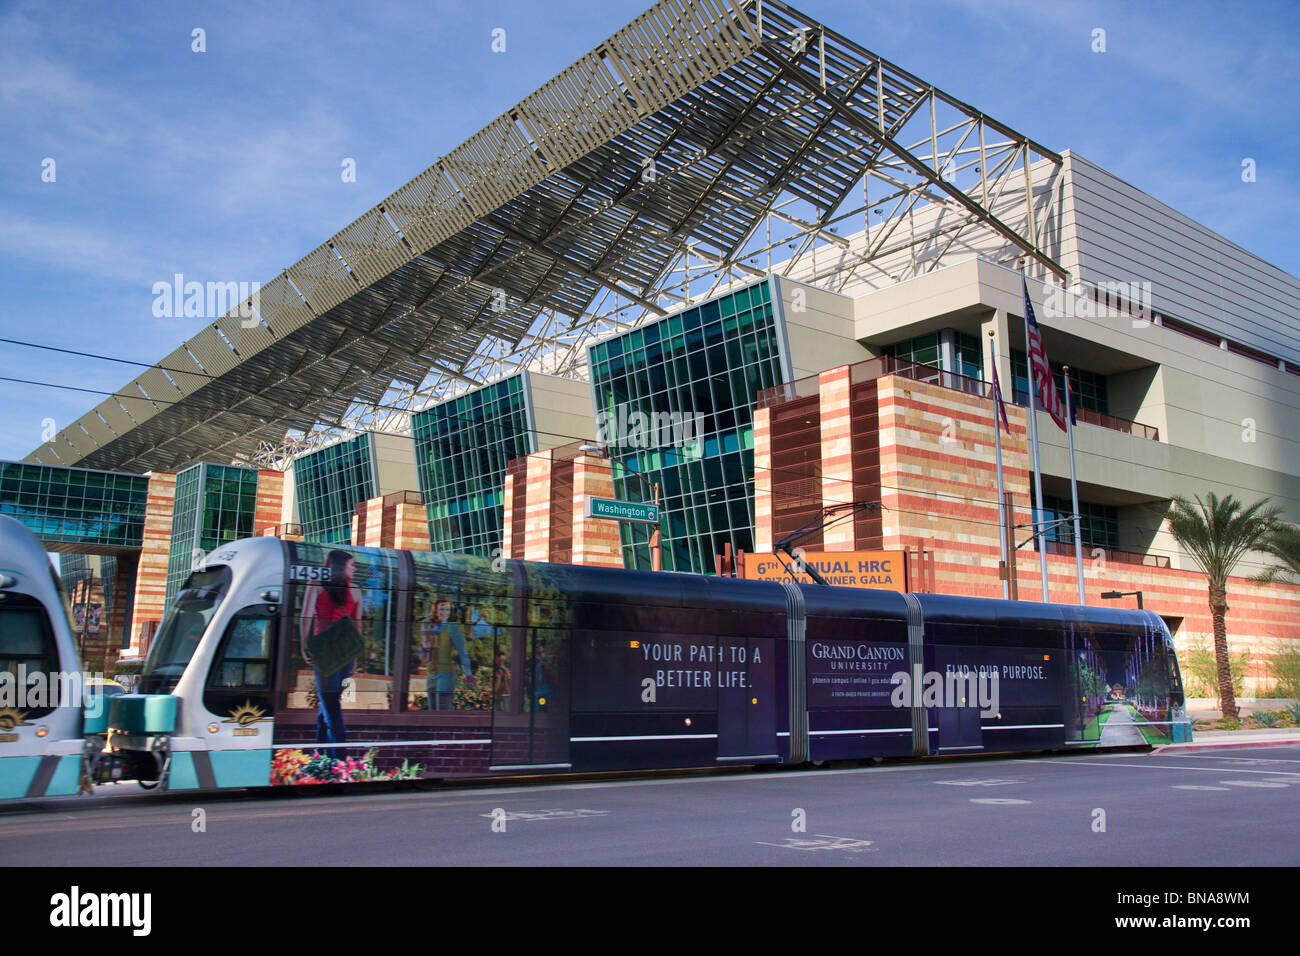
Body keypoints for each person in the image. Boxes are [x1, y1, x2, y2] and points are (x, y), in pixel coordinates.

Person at [300, 550, 363, 743]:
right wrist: (355, 658)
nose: (354, 568)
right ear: (340, 566)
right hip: (345, 653)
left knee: (330, 705)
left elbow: (305, 617)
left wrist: (305, 645)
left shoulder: (316, 585)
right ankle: (324, 756)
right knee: (329, 703)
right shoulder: (356, 590)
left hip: (324, 651)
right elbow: (357, 626)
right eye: (351, 565)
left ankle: (337, 755)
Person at [420, 597, 472, 710]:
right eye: (442, 609)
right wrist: (424, 643)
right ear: (435, 610)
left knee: (442, 711)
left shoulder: (452, 627)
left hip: (446, 673)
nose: (445, 612)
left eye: (447, 609)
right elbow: (422, 654)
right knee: (432, 711)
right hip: (431, 673)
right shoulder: (429, 627)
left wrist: (468, 673)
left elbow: (462, 651)